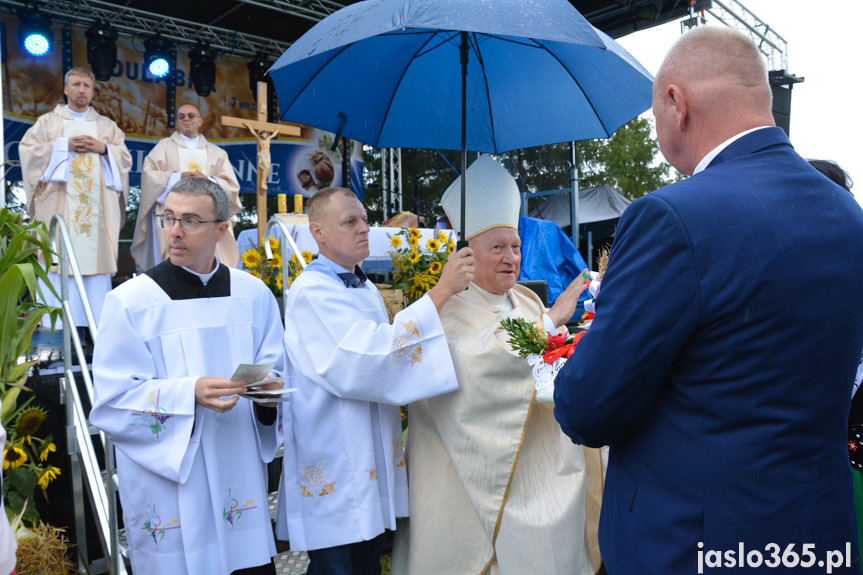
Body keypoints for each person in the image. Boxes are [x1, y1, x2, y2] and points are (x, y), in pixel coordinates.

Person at [553, 26, 863, 574]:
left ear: (676, 103)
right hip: (818, 535)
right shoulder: (847, 215)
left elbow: (591, 408)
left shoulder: (673, 216)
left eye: (653, 118)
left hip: (695, 543)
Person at [392, 155, 602, 575]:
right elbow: (478, 368)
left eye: (516, 247)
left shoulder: (525, 299)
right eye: (497, 248)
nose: (511, 258)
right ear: (469, 253)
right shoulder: (449, 305)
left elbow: (544, 355)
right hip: (463, 472)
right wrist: (552, 319)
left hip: (539, 454)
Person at [90, 177, 285, 575]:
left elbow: (275, 368)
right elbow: (111, 402)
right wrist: (187, 394)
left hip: (238, 464)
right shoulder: (130, 302)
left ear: (222, 228)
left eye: (191, 220)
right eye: (169, 218)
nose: (174, 231)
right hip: (172, 482)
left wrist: (268, 398)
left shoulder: (254, 295)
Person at [275, 186, 475, 574]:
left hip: (366, 448)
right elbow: (365, 358)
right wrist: (441, 290)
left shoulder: (363, 286)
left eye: (364, 219)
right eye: (350, 222)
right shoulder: (312, 290)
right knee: (336, 566)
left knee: (366, 560)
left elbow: (390, 359)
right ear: (318, 233)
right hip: (333, 453)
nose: (364, 228)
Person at [19, 66, 131, 328]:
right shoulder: (48, 123)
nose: (82, 90)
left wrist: (103, 148)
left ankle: (96, 334)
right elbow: (29, 152)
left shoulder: (106, 126)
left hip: (97, 219)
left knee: (96, 278)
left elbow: (124, 159)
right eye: (76, 84)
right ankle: (55, 335)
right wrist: (62, 145)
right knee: (57, 260)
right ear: (65, 89)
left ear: (93, 92)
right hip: (60, 213)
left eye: (87, 86)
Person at [133, 104, 243, 271]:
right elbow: (149, 176)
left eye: (191, 116)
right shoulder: (164, 147)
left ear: (200, 121)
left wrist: (209, 180)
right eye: (181, 116)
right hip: (173, 218)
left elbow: (231, 186)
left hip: (207, 217)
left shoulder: (217, 153)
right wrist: (178, 177)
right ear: (177, 121)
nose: (186, 119)